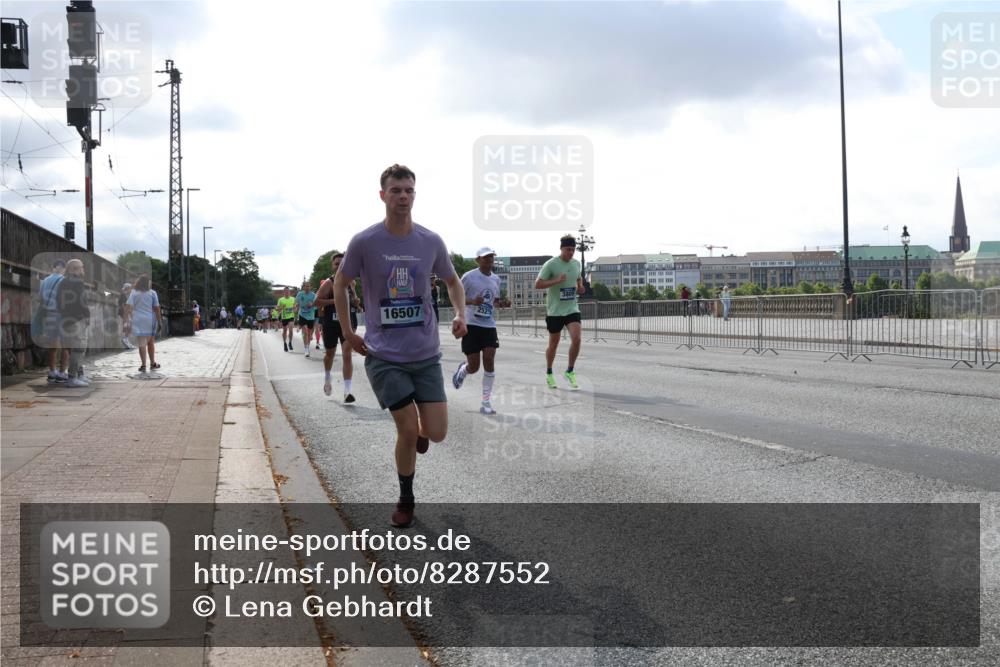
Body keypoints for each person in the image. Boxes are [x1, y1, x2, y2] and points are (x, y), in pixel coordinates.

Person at [333, 163, 466, 528]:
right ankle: (406, 499)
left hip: (425, 355)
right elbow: (340, 283)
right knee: (406, 429)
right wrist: (348, 331)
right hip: (384, 355)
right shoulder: (365, 242)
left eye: (408, 190)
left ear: (415, 195)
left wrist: (459, 313)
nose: (403, 196)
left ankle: (422, 436)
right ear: (383, 195)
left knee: (435, 433)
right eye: (396, 190)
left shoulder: (430, 241)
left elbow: (453, 281)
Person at [451, 247, 509, 414]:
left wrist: (502, 304)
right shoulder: (469, 277)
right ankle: (463, 371)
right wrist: (471, 301)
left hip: (488, 325)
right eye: (485, 257)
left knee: (489, 359)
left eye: (491, 257)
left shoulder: (496, 279)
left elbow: (494, 301)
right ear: (478, 260)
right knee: (474, 366)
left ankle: (486, 403)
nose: (489, 260)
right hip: (471, 324)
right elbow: (456, 296)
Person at [535, 234, 585, 390]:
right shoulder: (551, 265)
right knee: (553, 344)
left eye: (573, 250)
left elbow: (578, 278)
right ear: (561, 249)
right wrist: (556, 281)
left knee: (577, 339)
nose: (570, 253)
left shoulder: (577, 264)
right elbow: (538, 284)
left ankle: (570, 371)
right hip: (555, 311)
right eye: (568, 250)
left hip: (571, 308)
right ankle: (549, 372)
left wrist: (580, 287)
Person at [315, 253, 361, 401]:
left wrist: (355, 301)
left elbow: (354, 301)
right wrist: (335, 301)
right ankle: (328, 376)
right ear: (333, 266)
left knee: (347, 353)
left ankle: (348, 391)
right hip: (331, 323)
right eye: (336, 263)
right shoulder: (329, 283)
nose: (339, 265)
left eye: (342, 263)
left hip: (348, 321)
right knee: (330, 353)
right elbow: (317, 301)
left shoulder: (352, 282)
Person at [57, 259, 90, 388]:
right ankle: (72, 377)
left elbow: (58, 301)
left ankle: (79, 375)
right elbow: (82, 301)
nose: (83, 270)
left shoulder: (62, 282)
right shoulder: (77, 282)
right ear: (74, 269)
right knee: (79, 348)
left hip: (66, 319)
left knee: (75, 349)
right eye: (81, 267)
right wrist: (87, 315)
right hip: (77, 320)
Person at [39, 259, 69, 383]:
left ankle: (52, 371)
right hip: (62, 315)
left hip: (49, 315)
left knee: (52, 345)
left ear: (53, 268)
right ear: (63, 269)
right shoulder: (64, 280)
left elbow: (41, 298)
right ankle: (62, 373)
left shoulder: (44, 281)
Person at [125, 274, 162, 373]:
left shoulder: (134, 292)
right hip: (149, 319)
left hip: (137, 319)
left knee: (141, 342)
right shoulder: (153, 293)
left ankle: (143, 365)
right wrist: (159, 321)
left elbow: (128, 306)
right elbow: (157, 308)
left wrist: (127, 320)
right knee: (150, 342)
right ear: (147, 283)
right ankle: (153, 363)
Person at [295, 281, 317, 358]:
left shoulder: (314, 295)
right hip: (302, 315)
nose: (307, 288)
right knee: (305, 332)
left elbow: (317, 305)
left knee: (310, 333)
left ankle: (307, 345)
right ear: (303, 287)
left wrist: (312, 305)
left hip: (310, 316)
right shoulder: (300, 294)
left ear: (310, 287)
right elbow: (296, 303)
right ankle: (306, 349)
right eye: (305, 286)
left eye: (308, 286)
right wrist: (296, 307)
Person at [118, 283, 136, 349]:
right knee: (128, 326)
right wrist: (127, 313)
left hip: (125, 313)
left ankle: (126, 340)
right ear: (127, 288)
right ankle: (125, 339)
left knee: (128, 326)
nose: (131, 290)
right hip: (124, 313)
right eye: (130, 288)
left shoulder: (125, 295)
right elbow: (123, 305)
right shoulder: (123, 295)